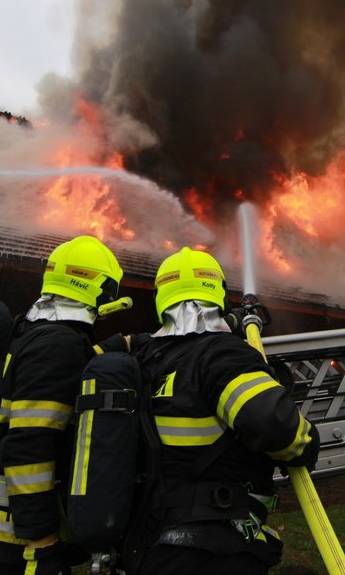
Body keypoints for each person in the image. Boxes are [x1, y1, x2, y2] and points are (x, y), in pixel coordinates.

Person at [125, 246, 320, 575]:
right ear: (218, 294)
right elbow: (275, 426)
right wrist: (307, 442)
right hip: (212, 547)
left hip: (145, 544)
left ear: (162, 297)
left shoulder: (142, 361)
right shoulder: (220, 354)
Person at [0, 235, 127, 575]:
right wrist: (41, 541)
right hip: (18, 540)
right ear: (100, 289)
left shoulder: (31, 331)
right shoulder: (58, 346)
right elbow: (29, 444)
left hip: (0, 526)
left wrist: (105, 349)